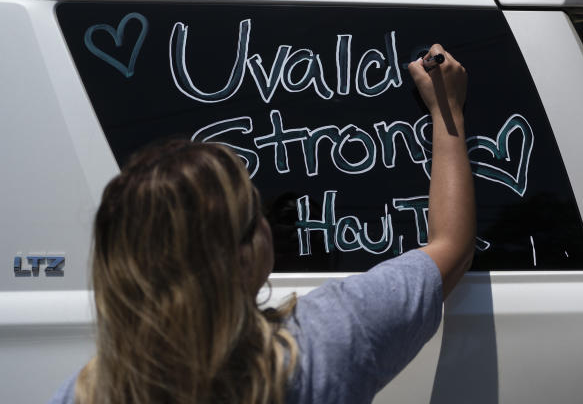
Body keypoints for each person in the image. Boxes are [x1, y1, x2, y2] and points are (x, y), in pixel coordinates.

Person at [49, 45, 474, 404]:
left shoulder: (85, 392)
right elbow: (451, 245)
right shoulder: (327, 341)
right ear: (244, 257)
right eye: (256, 212)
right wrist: (447, 110)